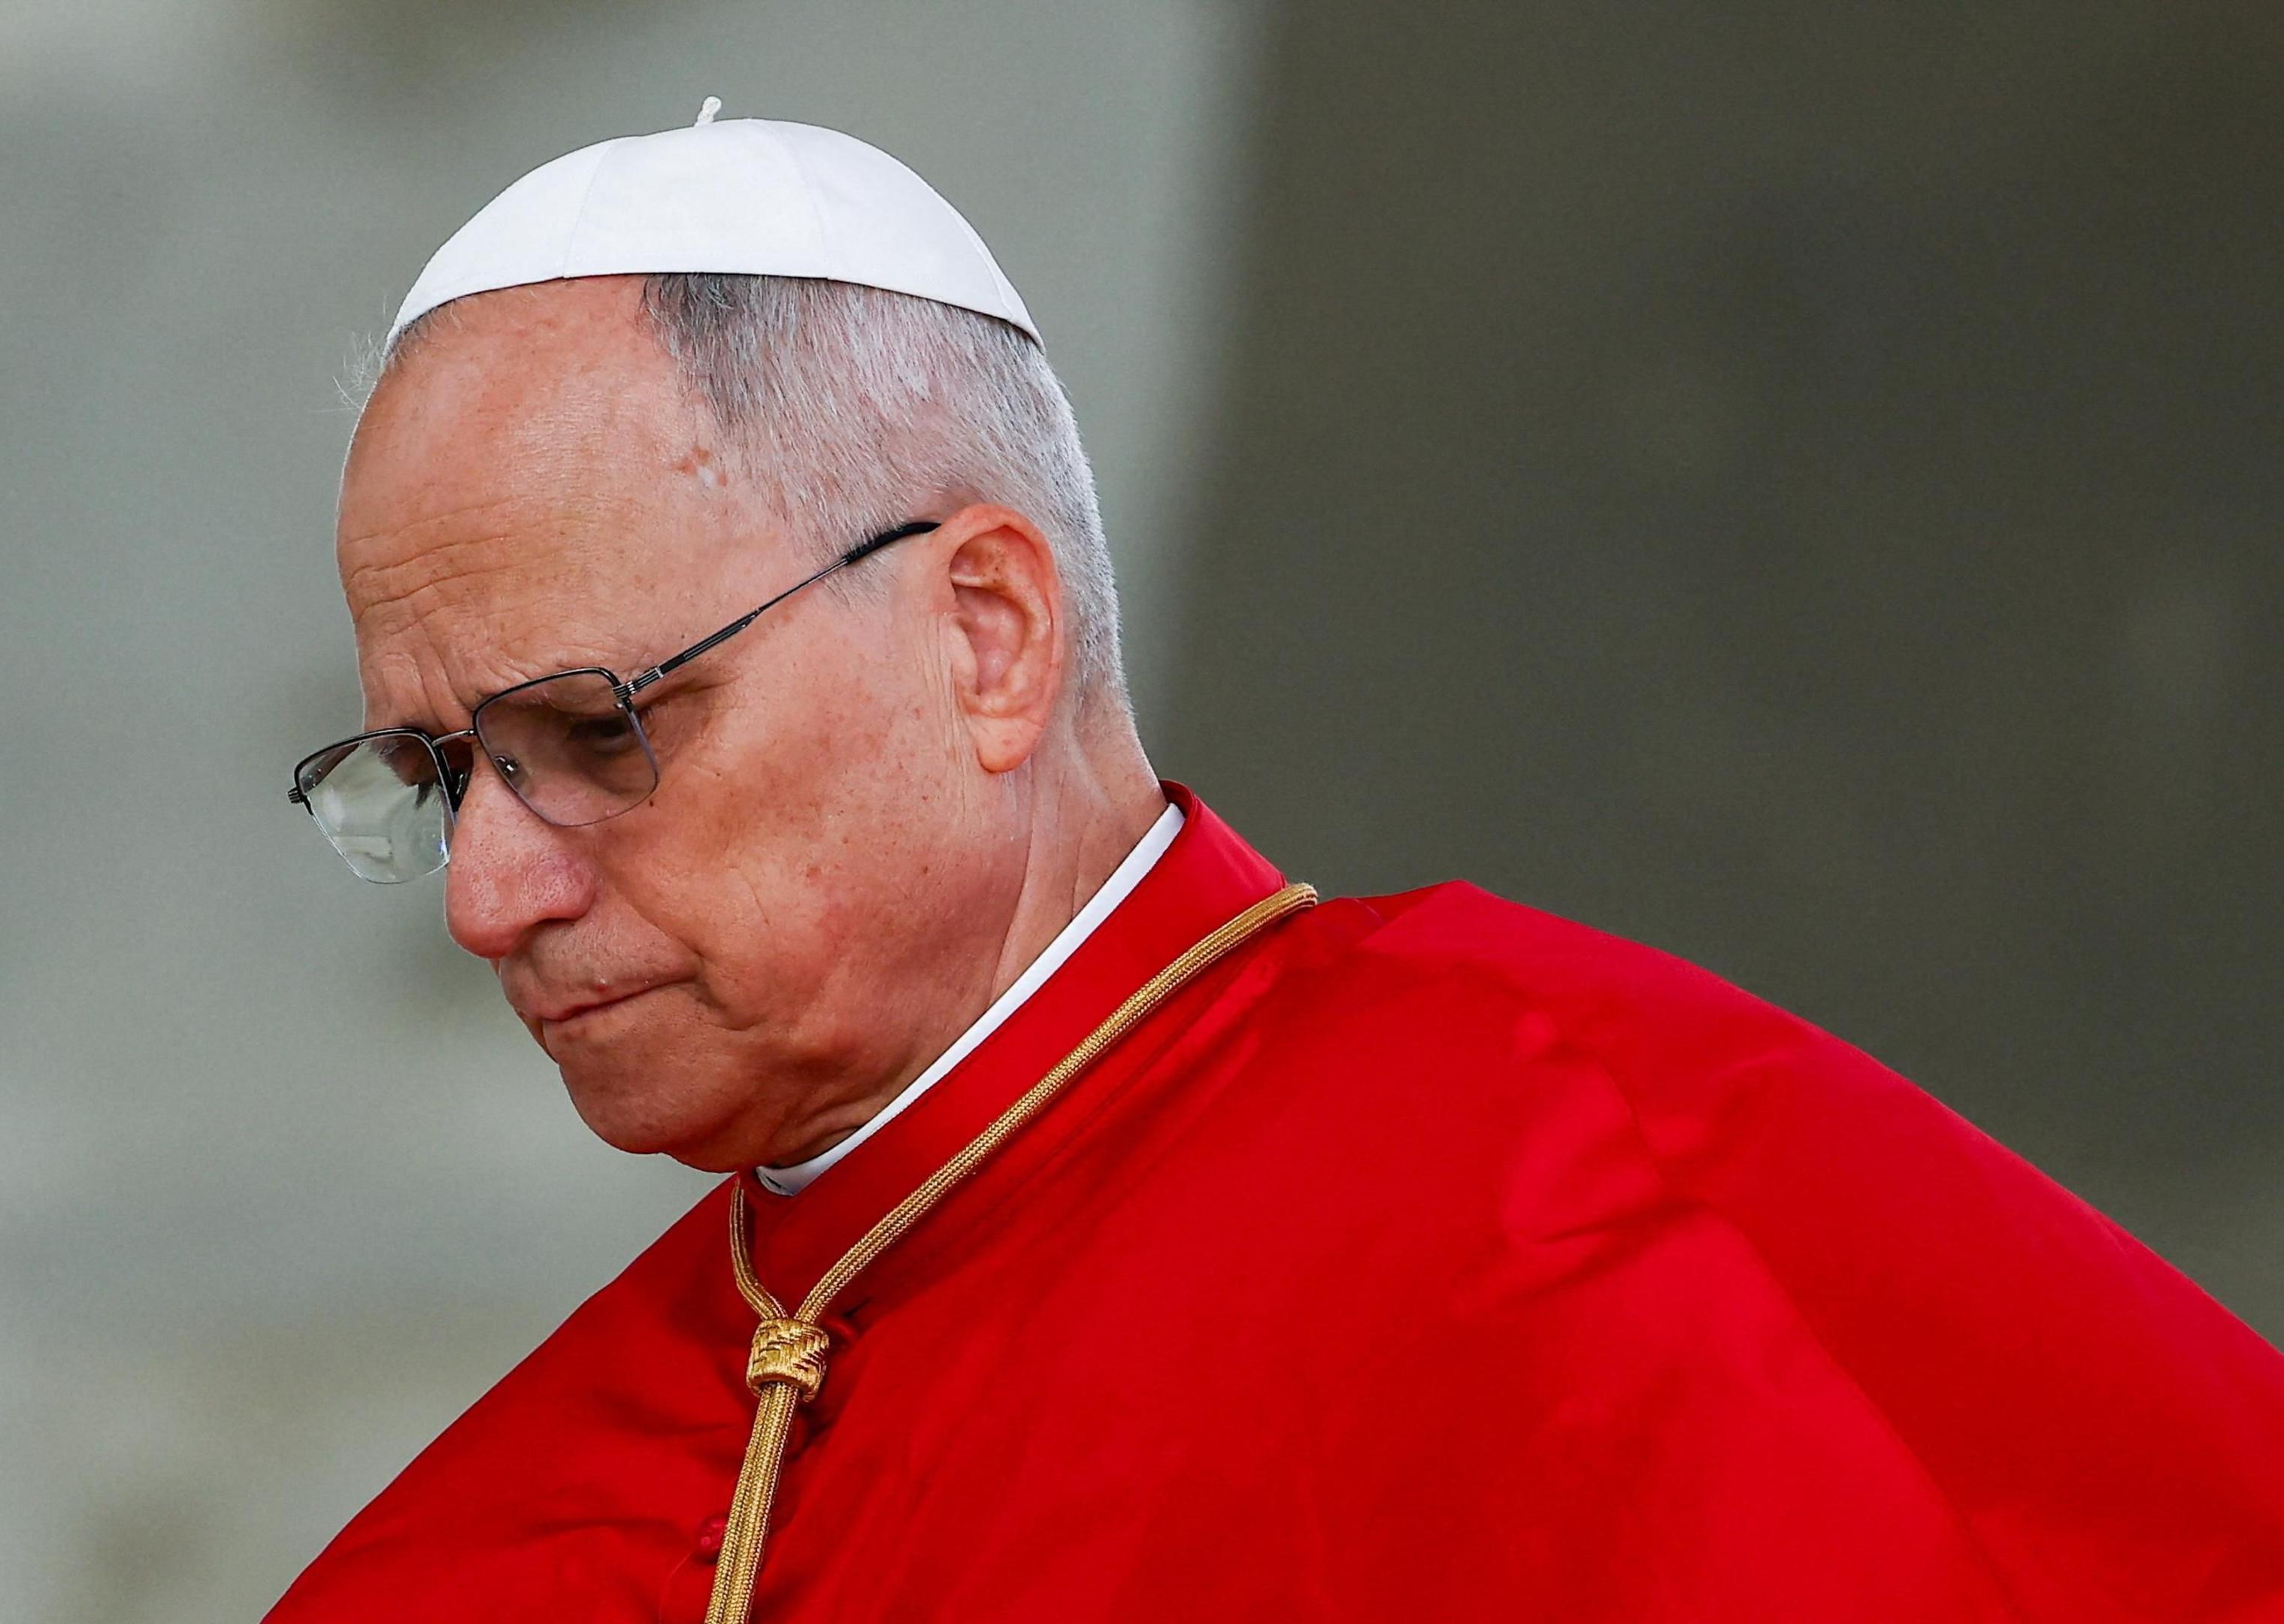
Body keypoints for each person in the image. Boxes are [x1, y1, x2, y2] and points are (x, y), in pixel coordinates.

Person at [268, 108, 2284, 1623]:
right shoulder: (471, 1545)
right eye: (440, 781)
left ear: (986, 634)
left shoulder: (1600, 1197)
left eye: (599, 734)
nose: (489, 899)